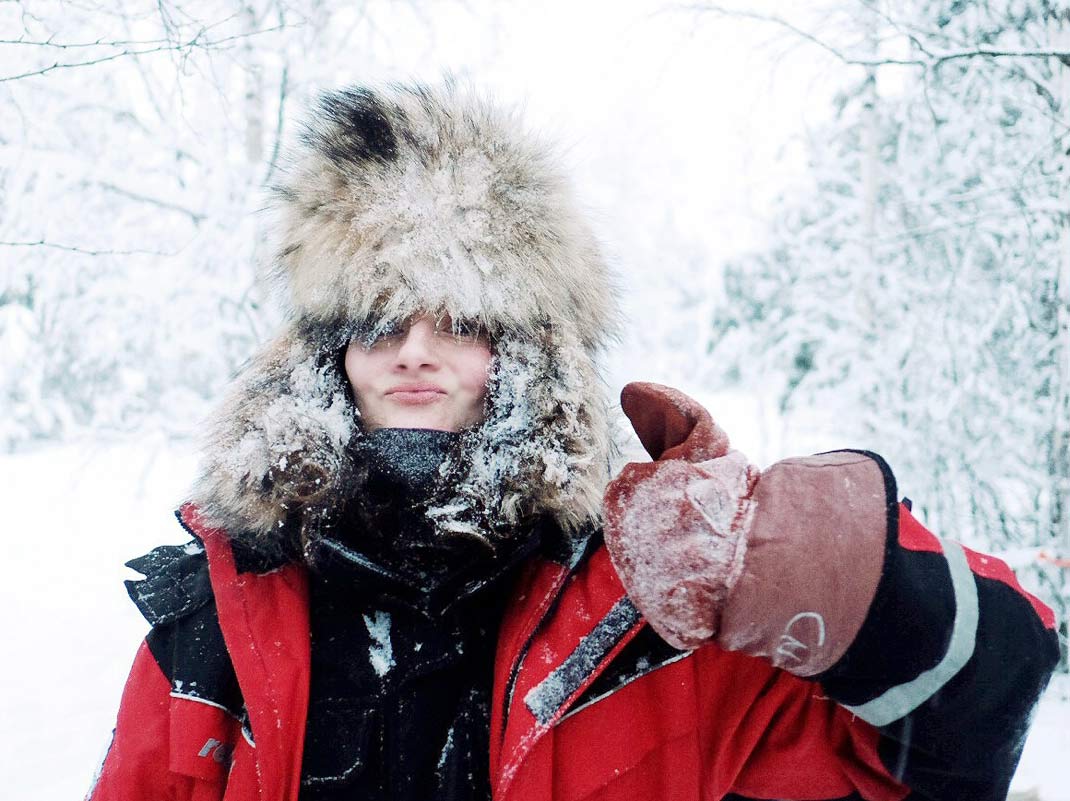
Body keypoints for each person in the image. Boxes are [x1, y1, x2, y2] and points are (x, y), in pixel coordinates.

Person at [88, 81, 1059, 801]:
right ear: (325, 352)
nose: (414, 353)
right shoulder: (217, 622)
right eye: (374, 318)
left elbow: (974, 697)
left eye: (461, 319)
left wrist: (796, 561)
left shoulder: (648, 624)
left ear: (525, 352)